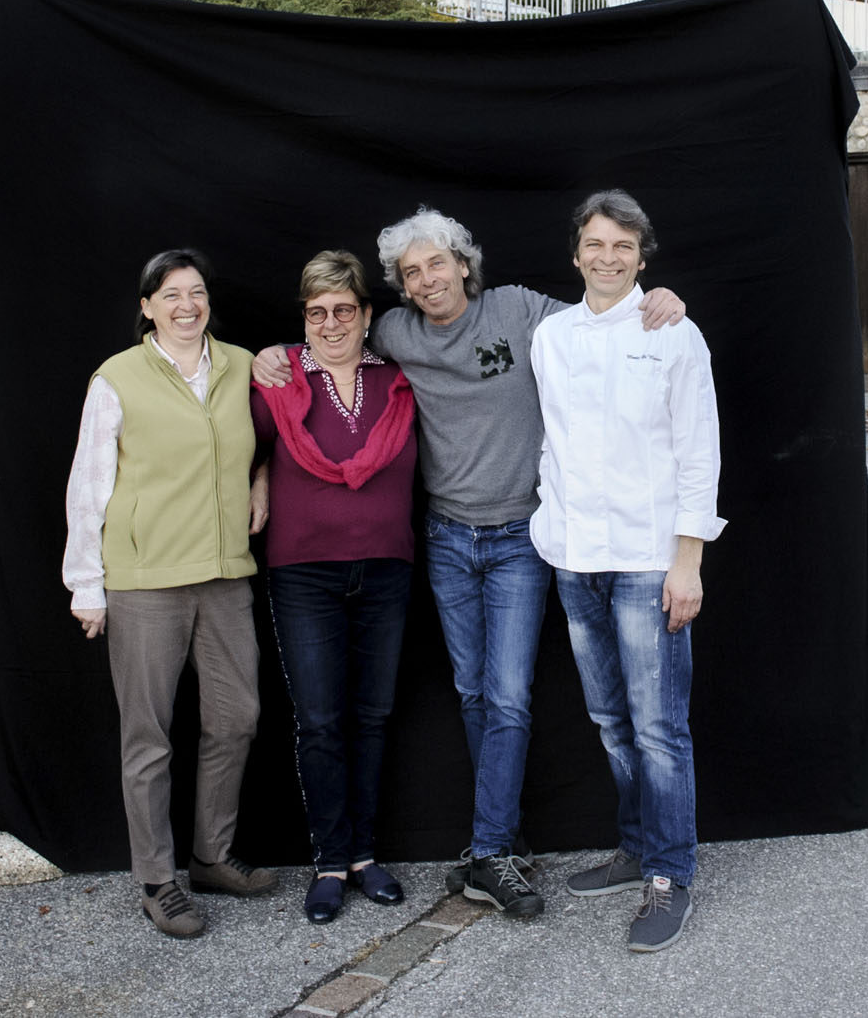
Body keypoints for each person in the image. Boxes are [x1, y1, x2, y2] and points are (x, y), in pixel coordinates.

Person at [252, 208, 683, 920]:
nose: (427, 280)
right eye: (411, 272)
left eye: (437, 263)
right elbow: (320, 346)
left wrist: (656, 299)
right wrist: (268, 356)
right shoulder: (394, 334)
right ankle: (502, 842)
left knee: (508, 695)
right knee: (475, 695)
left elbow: (599, 315)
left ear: (462, 262)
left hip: (520, 537)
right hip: (448, 540)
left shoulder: (517, 310)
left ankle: (485, 852)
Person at [61, 247, 279, 940]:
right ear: (148, 306)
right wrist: (85, 585)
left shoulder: (243, 364)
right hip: (145, 578)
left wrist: (261, 477)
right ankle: (158, 879)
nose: (188, 305)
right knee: (149, 736)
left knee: (237, 717)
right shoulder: (117, 378)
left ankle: (211, 855)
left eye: (197, 292)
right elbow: (87, 484)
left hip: (222, 573)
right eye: (171, 294)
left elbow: (266, 434)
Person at [531, 191, 723, 954]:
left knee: (659, 729)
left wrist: (688, 560)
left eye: (623, 246)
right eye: (595, 244)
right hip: (576, 561)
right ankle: (638, 844)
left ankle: (670, 875)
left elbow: (698, 451)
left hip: (650, 563)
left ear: (643, 257)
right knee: (612, 721)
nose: (608, 257)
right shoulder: (552, 335)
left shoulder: (674, 333)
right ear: (575, 252)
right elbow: (553, 438)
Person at [250, 251, 420, 925]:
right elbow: (238, 442)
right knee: (320, 720)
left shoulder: (400, 381)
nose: (330, 322)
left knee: (373, 715)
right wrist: (260, 469)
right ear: (304, 319)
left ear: (367, 314)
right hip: (304, 572)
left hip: (387, 568)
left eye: (343, 308)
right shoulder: (279, 379)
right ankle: (328, 858)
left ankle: (363, 854)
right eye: (316, 311)